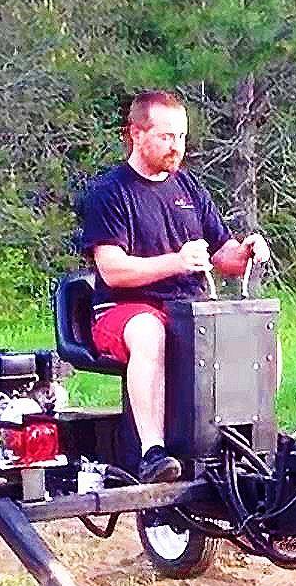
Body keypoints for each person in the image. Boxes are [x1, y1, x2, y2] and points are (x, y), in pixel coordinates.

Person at [77, 90, 270, 483]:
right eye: (166, 137)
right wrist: (176, 262)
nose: (176, 147)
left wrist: (247, 249)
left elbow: (225, 256)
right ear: (136, 132)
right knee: (150, 334)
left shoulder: (189, 188)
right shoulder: (110, 192)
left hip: (188, 308)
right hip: (125, 309)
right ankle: (152, 451)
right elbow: (112, 270)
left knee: (257, 336)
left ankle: (246, 440)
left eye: (181, 137)